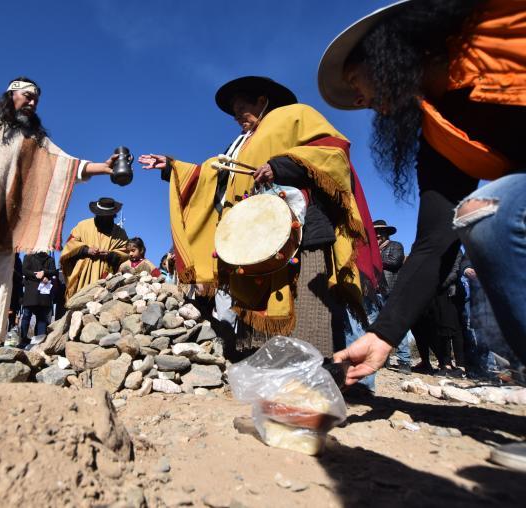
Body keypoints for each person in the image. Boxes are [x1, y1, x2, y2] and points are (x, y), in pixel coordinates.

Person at [319, 0, 526, 379]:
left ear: (386, 54)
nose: (359, 100)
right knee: (484, 217)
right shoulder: (440, 136)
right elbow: (435, 243)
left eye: (355, 83)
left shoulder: (503, 26)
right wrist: (382, 335)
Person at [139, 76, 382, 357]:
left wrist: (280, 165)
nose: (237, 115)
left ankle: (329, 372)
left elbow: (332, 149)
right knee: (264, 306)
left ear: (262, 100)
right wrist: (172, 166)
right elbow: (217, 172)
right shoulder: (240, 144)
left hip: (302, 229)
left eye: (242, 106)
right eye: (233, 112)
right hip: (259, 239)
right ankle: (279, 369)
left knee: (312, 300)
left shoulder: (295, 115)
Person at [0, 76, 118, 364]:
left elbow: (66, 164)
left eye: (36, 99)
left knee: (1, 283)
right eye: (27, 95)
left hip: (7, 221)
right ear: (10, 95)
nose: (32, 102)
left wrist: (104, 168)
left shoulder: (35, 139)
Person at [60, 197, 129, 299]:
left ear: (113, 215)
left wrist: (110, 255)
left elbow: (126, 252)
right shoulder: (82, 226)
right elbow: (70, 244)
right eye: (102, 216)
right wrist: (86, 250)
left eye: (108, 217)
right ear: (97, 213)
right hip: (83, 275)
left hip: (107, 277)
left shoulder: (120, 233)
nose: (105, 219)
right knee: (80, 304)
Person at [374, 219, 412, 373]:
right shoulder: (370, 248)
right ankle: (382, 359)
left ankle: (405, 361)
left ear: (386, 234)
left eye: (380, 232)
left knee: (395, 325)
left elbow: (395, 261)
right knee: (376, 327)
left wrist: (373, 259)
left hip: (391, 291)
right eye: (375, 232)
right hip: (374, 292)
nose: (377, 235)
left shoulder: (396, 246)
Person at [20, 251, 57, 342]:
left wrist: (44, 272)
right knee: (28, 315)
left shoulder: (50, 259)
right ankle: (24, 338)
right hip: (32, 292)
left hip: (42, 293)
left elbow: (54, 271)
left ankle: (39, 340)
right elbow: (24, 270)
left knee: (40, 317)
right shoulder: (28, 257)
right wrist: (38, 275)